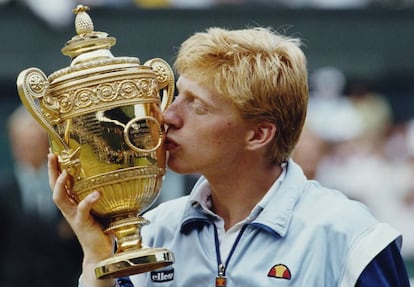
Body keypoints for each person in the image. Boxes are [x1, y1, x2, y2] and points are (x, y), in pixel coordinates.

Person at [48, 27, 410, 287]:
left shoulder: (350, 237)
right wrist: (97, 259)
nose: (168, 117)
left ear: (258, 134)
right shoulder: (153, 231)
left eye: (198, 106)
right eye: (177, 95)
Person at [0, 105, 82, 287]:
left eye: (32, 143)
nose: (25, 150)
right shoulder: (4, 192)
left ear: (46, 143)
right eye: (20, 144)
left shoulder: (70, 188)